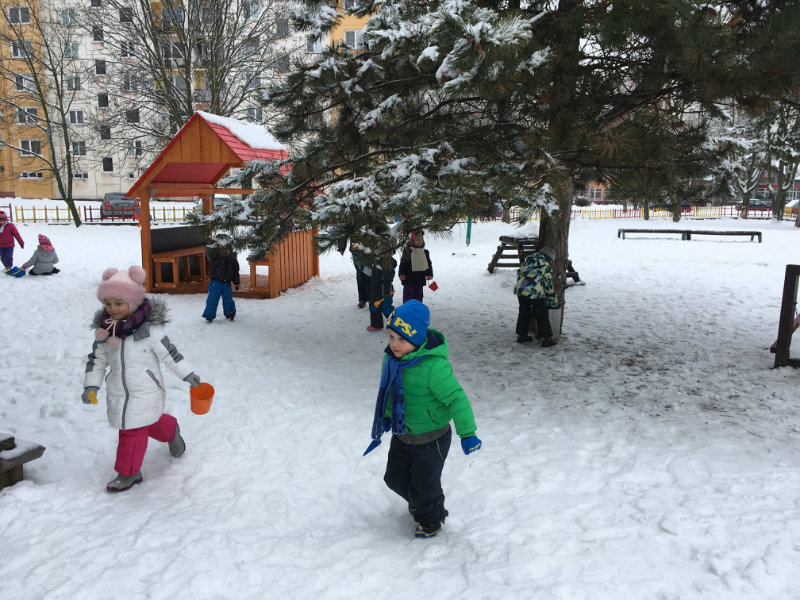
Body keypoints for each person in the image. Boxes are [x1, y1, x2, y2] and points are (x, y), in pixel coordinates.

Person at [363, 300, 482, 539]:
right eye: (391, 336)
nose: (394, 344)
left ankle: (431, 519)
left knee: (424, 486)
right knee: (394, 479)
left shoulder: (434, 367)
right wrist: (387, 417)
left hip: (431, 438)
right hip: (402, 433)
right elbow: (390, 393)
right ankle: (423, 502)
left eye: (402, 339)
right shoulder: (392, 360)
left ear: (417, 339)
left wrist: (467, 433)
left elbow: (456, 399)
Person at [82, 265, 203, 493]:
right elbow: (96, 360)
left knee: (131, 430)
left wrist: (188, 374)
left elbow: (170, 354)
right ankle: (171, 429)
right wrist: (91, 385)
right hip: (119, 392)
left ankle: (129, 473)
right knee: (149, 423)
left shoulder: (150, 331)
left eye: (119, 303)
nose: (112, 309)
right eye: (108, 303)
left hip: (147, 391)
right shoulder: (106, 333)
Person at [514, 245, 559, 347]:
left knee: (524, 313)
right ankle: (546, 339)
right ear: (549, 258)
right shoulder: (545, 266)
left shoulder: (528, 260)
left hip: (521, 290)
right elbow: (548, 286)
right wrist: (553, 300)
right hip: (535, 293)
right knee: (541, 315)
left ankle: (522, 336)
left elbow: (519, 273)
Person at [203, 237, 240, 323]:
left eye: (225, 244)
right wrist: (211, 244)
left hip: (227, 283)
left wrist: (236, 282)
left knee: (228, 299)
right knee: (212, 299)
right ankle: (209, 315)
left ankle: (230, 313)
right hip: (215, 282)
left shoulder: (232, 257)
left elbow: (235, 270)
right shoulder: (215, 255)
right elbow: (209, 252)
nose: (223, 246)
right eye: (220, 244)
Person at [398, 230, 433, 304]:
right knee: (408, 295)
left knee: (419, 295)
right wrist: (401, 274)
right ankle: (407, 308)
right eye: (417, 240)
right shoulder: (408, 251)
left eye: (421, 239)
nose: (419, 241)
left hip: (420, 278)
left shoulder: (425, 252)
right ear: (412, 241)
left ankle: (417, 308)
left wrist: (429, 274)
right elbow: (403, 264)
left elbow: (428, 264)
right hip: (409, 279)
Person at [366, 253, 397, 331]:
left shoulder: (387, 263)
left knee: (386, 308)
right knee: (373, 306)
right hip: (375, 289)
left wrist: (386, 293)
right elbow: (372, 274)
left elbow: (387, 280)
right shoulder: (376, 260)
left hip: (384, 290)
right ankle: (377, 325)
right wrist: (362, 268)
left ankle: (397, 325)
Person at [338, 239, 369, 308]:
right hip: (356, 250)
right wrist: (341, 247)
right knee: (360, 275)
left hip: (370, 248)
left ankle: (371, 298)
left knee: (370, 275)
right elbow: (343, 233)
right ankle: (362, 299)